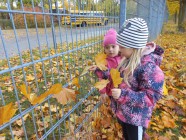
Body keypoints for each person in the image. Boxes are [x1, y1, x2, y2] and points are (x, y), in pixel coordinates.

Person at [110, 18, 164, 140]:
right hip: (125, 113)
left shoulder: (149, 68)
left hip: (136, 119)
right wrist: (100, 71)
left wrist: (123, 95)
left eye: (122, 47)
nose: (119, 49)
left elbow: (150, 97)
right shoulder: (128, 60)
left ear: (133, 47)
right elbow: (117, 76)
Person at [89, 28, 122, 102]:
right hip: (111, 90)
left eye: (113, 46)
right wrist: (103, 92)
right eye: (107, 47)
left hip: (122, 89)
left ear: (119, 47)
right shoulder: (104, 61)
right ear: (104, 49)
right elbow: (102, 78)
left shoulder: (123, 58)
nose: (110, 49)